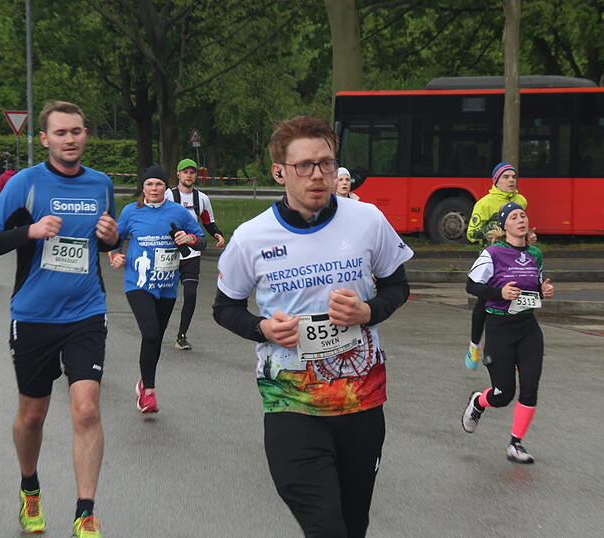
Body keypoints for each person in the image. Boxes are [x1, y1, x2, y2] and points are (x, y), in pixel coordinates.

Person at [213, 115, 412, 537]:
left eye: (326, 163)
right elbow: (225, 308)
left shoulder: (367, 219)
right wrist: (262, 329)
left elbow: (398, 286)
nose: (318, 174)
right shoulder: (251, 237)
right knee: (326, 527)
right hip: (291, 402)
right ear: (279, 172)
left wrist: (368, 312)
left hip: (361, 401)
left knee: (353, 525)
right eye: (304, 165)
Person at [0, 101, 117, 538]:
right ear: (45, 138)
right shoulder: (25, 183)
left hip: (86, 311)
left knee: (87, 410)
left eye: (76, 131)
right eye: (61, 132)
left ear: (85, 134)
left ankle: (85, 512)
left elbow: (104, 242)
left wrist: (112, 238)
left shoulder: (102, 184)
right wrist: (29, 232)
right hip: (33, 315)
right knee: (33, 415)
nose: (70, 139)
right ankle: (29, 487)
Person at [460, 202, 554, 464]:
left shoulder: (535, 254)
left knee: (530, 387)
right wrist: (499, 293)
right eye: (514, 217)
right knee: (503, 395)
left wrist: (543, 291)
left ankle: (516, 443)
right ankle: (479, 401)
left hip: (528, 328)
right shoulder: (493, 253)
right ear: (504, 225)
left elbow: (534, 291)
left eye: (523, 215)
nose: (521, 220)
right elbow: (471, 286)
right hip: (500, 328)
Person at [110, 165, 205, 413]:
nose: (154, 189)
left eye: (159, 184)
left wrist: (190, 239)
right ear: (143, 188)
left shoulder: (178, 212)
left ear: (166, 187)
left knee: (156, 339)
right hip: (138, 284)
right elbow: (114, 239)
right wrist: (115, 255)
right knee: (150, 334)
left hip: (167, 286)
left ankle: (144, 382)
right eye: (149, 184)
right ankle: (149, 393)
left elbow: (201, 240)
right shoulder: (131, 212)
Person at [463, 162, 530, 371]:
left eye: (513, 176)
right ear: (496, 181)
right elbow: (471, 233)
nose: (511, 180)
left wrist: (529, 236)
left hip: (516, 257)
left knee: (518, 299)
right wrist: (493, 229)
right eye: (506, 177)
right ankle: (474, 345)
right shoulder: (485, 203)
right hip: (492, 258)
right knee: (485, 301)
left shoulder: (521, 201)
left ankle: (516, 351)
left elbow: (521, 226)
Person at [164, 158, 224, 350]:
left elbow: (207, 221)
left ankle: (182, 335)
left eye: (192, 172)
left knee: (190, 294)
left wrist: (217, 234)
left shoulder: (202, 198)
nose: (189, 175)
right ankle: (156, 329)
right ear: (178, 174)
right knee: (165, 296)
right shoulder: (168, 195)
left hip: (191, 252)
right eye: (185, 172)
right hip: (169, 253)